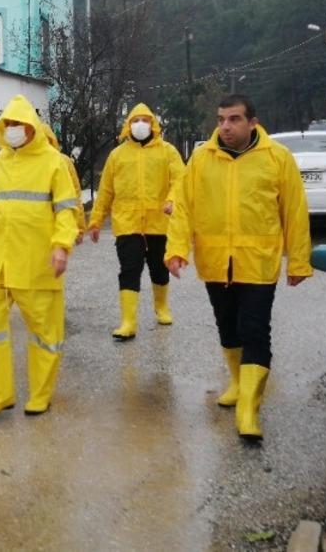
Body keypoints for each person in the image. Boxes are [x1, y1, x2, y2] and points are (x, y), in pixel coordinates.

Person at [164, 95, 312, 441]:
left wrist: (299, 260)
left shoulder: (277, 159)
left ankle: (248, 409)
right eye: (220, 120)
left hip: (258, 263)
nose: (225, 127)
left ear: (252, 123)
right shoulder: (201, 159)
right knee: (227, 327)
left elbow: (294, 210)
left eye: (233, 119)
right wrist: (175, 249)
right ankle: (236, 382)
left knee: (255, 331)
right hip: (215, 261)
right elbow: (183, 207)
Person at [0, 95, 79, 416]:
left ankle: (40, 393)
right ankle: (1, 394)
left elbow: (66, 210)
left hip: (36, 262)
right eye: (8, 124)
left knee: (45, 332)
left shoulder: (53, 163)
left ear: (32, 127)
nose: (13, 129)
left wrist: (62, 246)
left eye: (18, 124)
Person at [87, 103, 185, 340]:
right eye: (135, 120)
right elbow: (106, 190)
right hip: (127, 223)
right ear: (128, 125)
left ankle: (161, 307)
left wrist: (172, 200)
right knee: (129, 270)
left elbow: (181, 180)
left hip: (159, 223)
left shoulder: (167, 151)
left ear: (153, 124)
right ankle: (128, 321)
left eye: (145, 120)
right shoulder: (117, 155)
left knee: (159, 268)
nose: (140, 124)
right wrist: (96, 220)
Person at [41, 123, 87, 245]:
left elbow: (74, 195)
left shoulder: (63, 162)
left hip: (58, 228)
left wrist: (79, 227)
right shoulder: (23, 164)